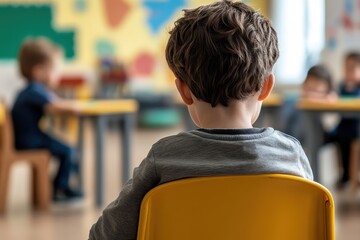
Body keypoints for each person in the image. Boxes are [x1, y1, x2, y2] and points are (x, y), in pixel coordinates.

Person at [89, 1, 313, 239]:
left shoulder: (165, 157)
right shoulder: (290, 155)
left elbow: (105, 234)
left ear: (184, 91)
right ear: (266, 87)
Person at [12, 37, 82, 201]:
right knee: (68, 151)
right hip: (30, 141)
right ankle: (60, 188)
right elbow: (56, 105)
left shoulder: (31, 90)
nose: (59, 74)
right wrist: (74, 106)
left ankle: (59, 186)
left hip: (28, 138)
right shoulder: (35, 90)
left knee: (66, 148)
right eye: (55, 69)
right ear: (39, 71)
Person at [328, 52, 360, 188]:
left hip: (356, 127)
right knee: (339, 141)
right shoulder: (341, 86)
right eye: (346, 68)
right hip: (343, 126)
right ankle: (344, 174)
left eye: (352, 68)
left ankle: (353, 175)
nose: (348, 71)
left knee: (353, 141)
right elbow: (334, 97)